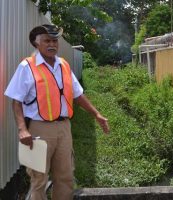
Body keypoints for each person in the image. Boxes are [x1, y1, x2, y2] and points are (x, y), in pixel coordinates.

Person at [4, 24, 109, 200]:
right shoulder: (27, 66)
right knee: (39, 179)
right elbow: (16, 101)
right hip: (39, 130)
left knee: (65, 177)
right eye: (47, 40)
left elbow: (78, 95)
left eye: (54, 40)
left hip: (64, 128)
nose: (52, 44)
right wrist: (22, 129)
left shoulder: (64, 66)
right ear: (37, 44)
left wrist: (96, 114)